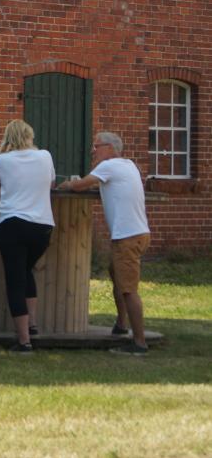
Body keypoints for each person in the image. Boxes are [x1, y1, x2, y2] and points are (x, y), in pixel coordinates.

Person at [58, 132, 152, 356]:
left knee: (128, 290)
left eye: (96, 146)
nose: (93, 151)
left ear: (110, 148)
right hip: (139, 234)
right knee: (116, 275)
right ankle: (121, 325)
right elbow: (104, 186)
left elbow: (79, 185)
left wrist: (66, 184)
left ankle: (139, 343)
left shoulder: (108, 166)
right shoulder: (128, 165)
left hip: (127, 238)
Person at [0, 120, 55, 353]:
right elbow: (52, 183)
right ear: (30, 136)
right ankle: (33, 324)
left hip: (13, 224)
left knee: (15, 280)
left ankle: (24, 341)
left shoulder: (3, 160)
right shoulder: (45, 156)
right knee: (26, 271)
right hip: (43, 226)